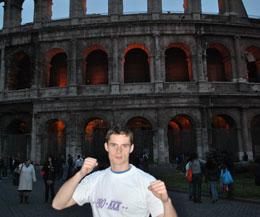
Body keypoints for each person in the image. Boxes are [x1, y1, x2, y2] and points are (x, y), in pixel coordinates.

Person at [52, 127, 178, 217]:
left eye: (124, 146)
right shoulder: (94, 179)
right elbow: (58, 204)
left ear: (131, 148)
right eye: (114, 145)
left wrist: (167, 202)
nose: (119, 151)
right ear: (106, 146)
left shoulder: (148, 182)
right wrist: (80, 174)